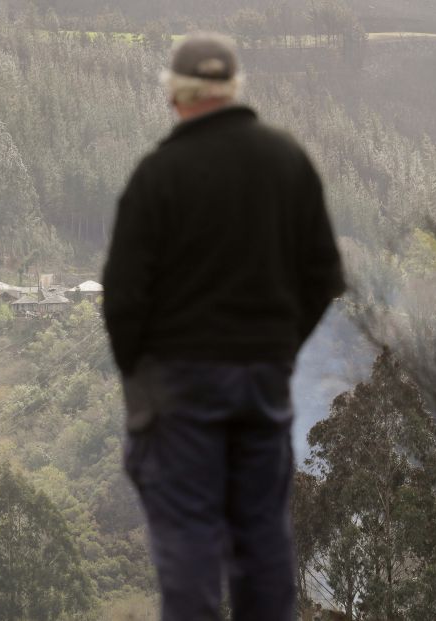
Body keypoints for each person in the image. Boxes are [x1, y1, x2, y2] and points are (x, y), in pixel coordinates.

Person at [102, 33, 345, 621]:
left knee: (189, 545)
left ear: (176, 97)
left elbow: (123, 299)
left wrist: (143, 380)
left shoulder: (159, 175)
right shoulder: (287, 161)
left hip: (180, 388)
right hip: (262, 383)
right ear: (235, 89)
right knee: (263, 542)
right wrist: (280, 349)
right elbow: (325, 276)